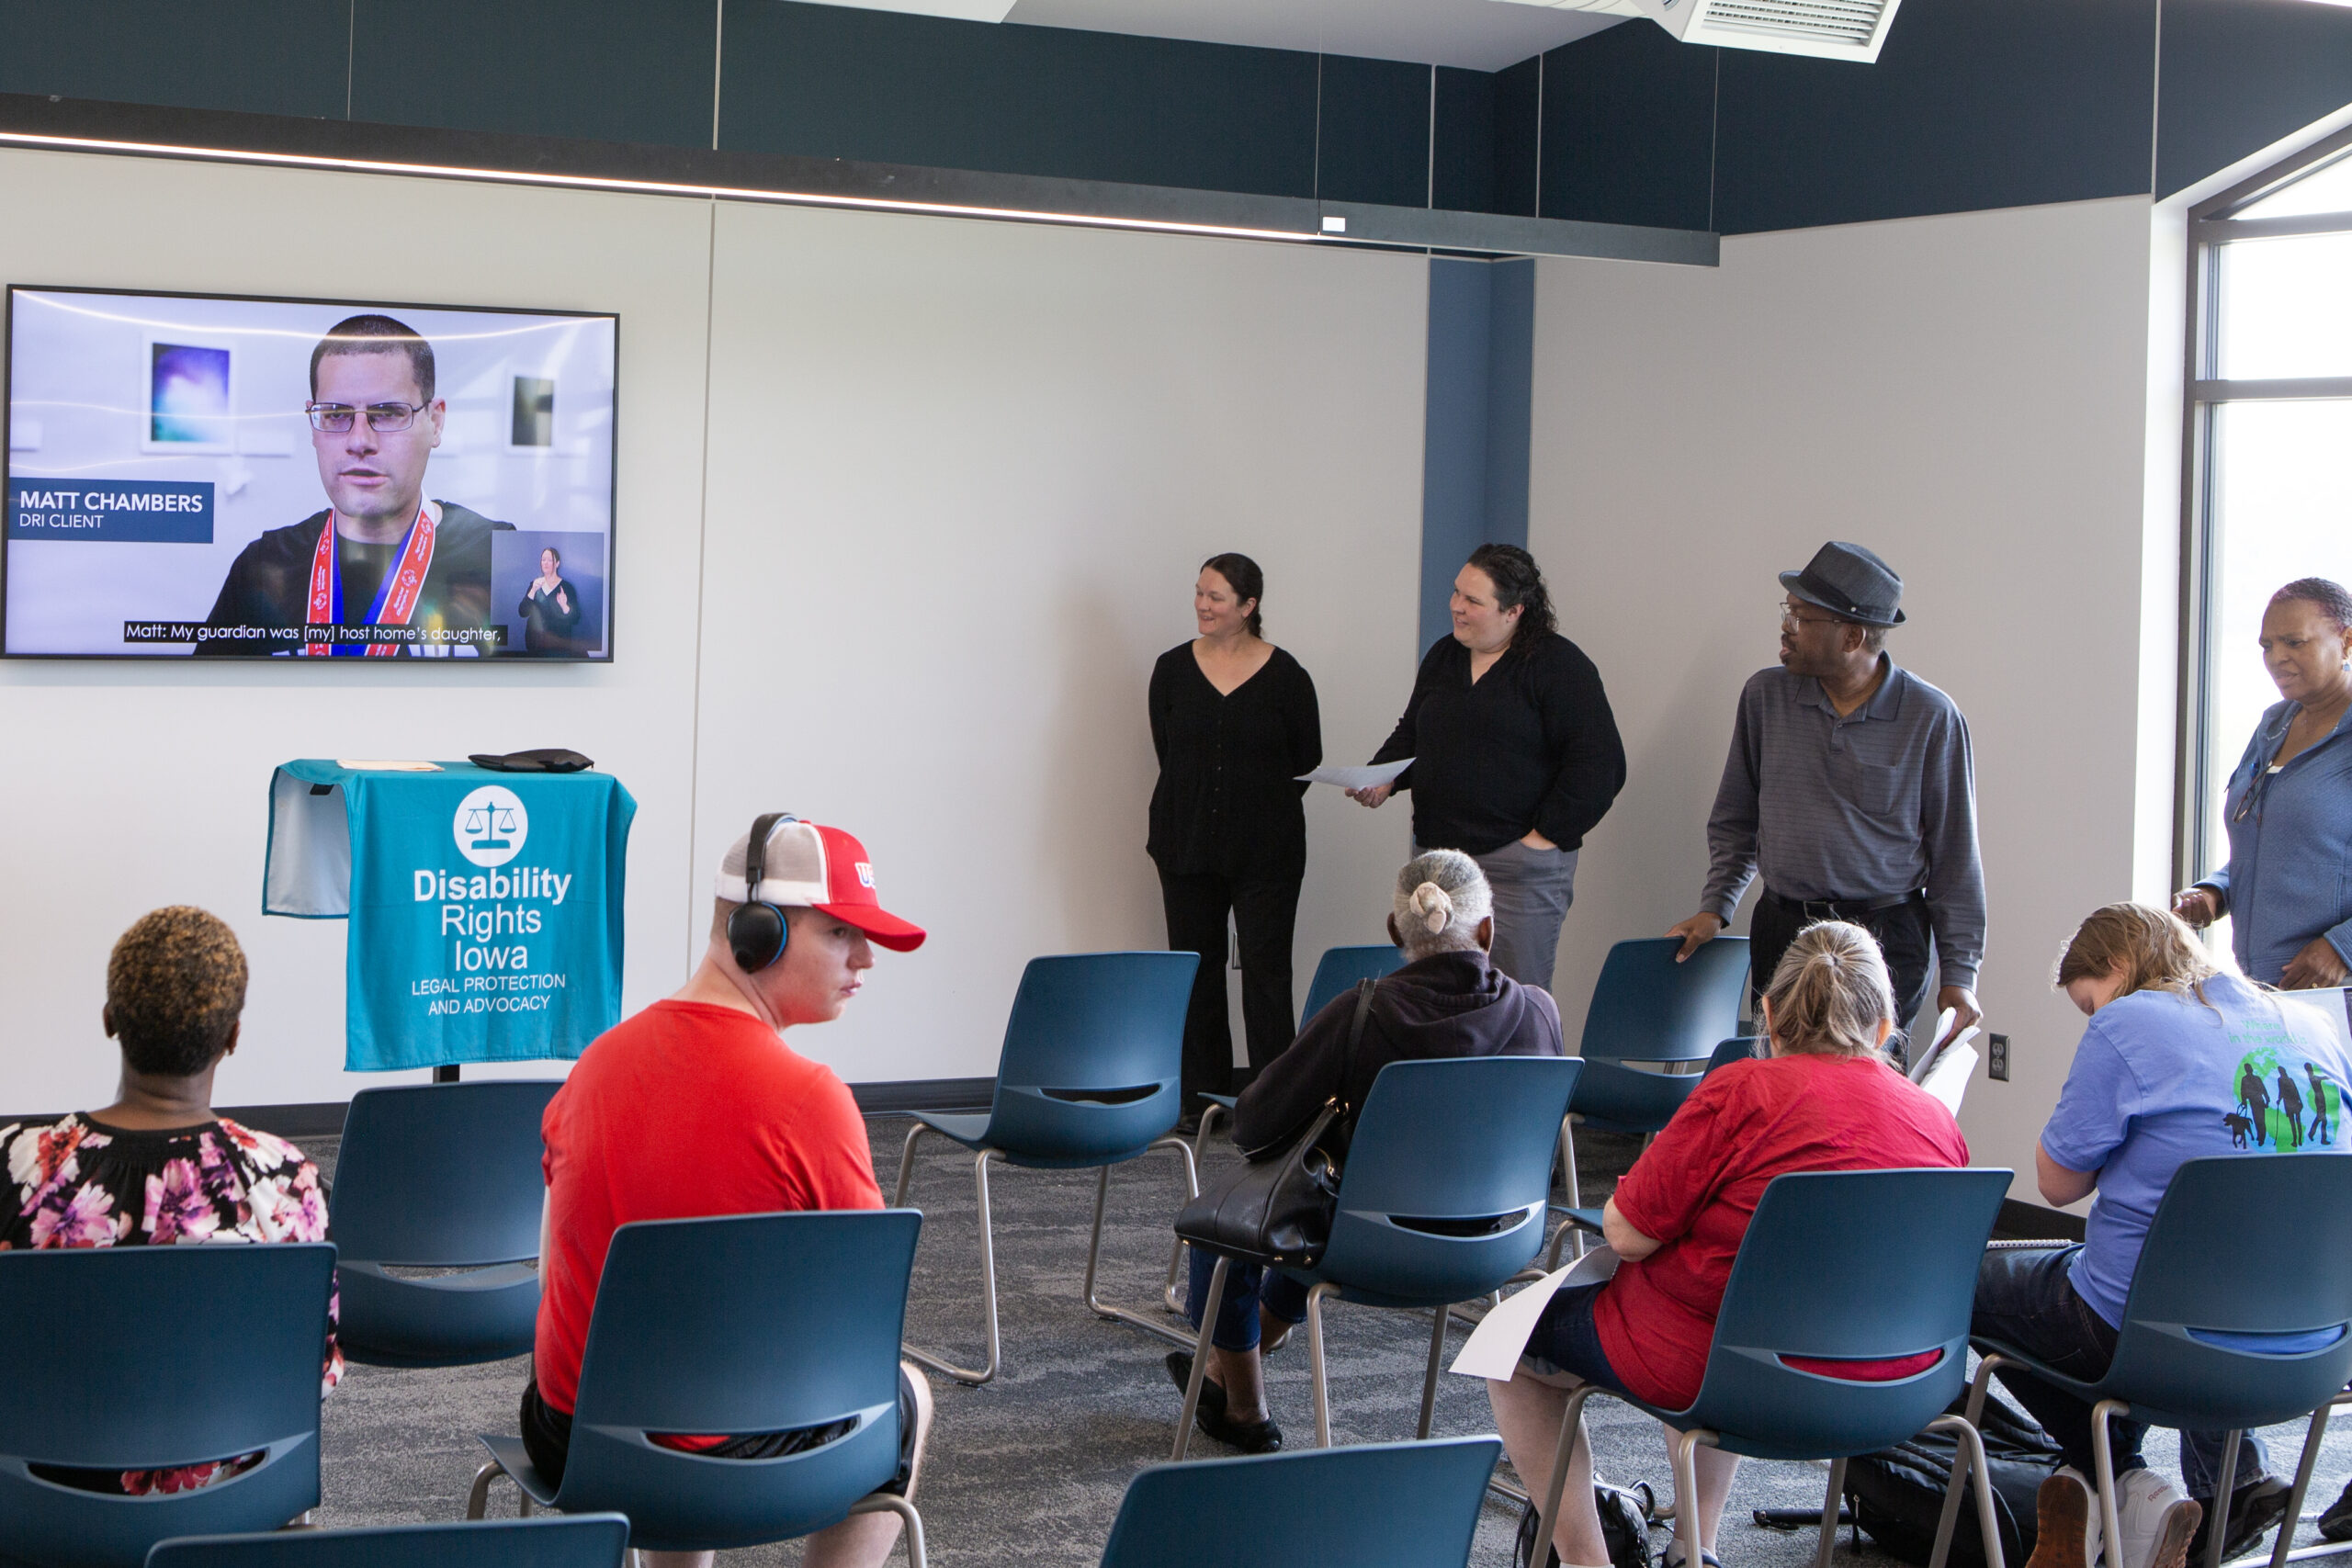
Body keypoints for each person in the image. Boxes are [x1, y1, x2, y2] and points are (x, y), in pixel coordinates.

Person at [1487, 920, 1968, 1568]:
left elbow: (1627, 1235)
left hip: (1740, 1374)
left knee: (1508, 1347)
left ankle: (1588, 1562)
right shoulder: (1936, 1120)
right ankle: (1695, 1549)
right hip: (1901, 1380)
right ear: (1884, 1027)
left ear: (1768, 1015)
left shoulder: (1742, 1091)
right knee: (1728, 1304)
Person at [526, 816, 934, 1568]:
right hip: (723, 1460)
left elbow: (554, 1278)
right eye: (842, 932)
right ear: (760, 932)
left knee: (687, 1374)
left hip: (573, 1440)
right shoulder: (811, 1097)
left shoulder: (593, 1067)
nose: (866, 958)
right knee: (903, 1384)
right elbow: (861, 1324)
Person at [1972, 903, 2352, 1568]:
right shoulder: (2318, 1025)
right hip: (2314, 1344)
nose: (2095, 1019)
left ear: (2119, 967)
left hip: (2155, 1339)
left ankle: (2123, 1480)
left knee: (1958, 1278)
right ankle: (2157, 1491)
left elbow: (2058, 1184)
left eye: (2090, 1004)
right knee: (2184, 1276)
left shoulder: (2129, 1022)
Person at [1166, 849, 1564, 1452]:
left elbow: (1251, 1126)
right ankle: (1247, 1353)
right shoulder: (1540, 1011)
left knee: (1222, 1222)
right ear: (1487, 929)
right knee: (1329, 1201)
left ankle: (1242, 1401)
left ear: (1393, 930)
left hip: (1376, 1244)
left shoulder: (1362, 1011)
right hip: (1500, 1243)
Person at [0, 907, 339, 1495]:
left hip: (39, 1501)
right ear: (232, 1037)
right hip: (224, 1504)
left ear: (110, 1021)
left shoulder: (17, 1162)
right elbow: (314, 1374)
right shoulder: (286, 1179)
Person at [1667, 541, 1984, 1064]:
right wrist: (1715, 907)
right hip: (1784, 926)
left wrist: (1960, 974)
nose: (1786, 628)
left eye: (1801, 617)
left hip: (1884, 935)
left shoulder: (1931, 717)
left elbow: (1956, 858)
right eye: (1788, 613)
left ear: (1853, 636)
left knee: (1869, 1093)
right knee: (1780, 1083)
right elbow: (1736, 821)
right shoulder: (1765, 698)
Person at [1351, 544, 1624, 992]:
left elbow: (1601, 766)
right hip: (1436, 864)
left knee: (1513, 1000)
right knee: (1437, 998)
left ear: (1514, 610)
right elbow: (1414, 732)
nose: (1456, 606)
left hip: (1515, 869)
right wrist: (1384, 778)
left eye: (1473, 601)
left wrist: (1541, 840)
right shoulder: (1445, 656)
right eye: (1457, 593)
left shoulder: (1559, 666)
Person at [200, 314, 511, 657]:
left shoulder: (498, 557)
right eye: (335, 414)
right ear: (313, 423)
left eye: (388, 413)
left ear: (435, 423)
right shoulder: (261, 566)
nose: (359, 441)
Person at [1148, 553, 1322, 1111]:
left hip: (1267, 852)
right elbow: (1168, 752)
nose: (1202, 604)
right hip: (1185, 843)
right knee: (1196, 974)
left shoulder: (1288, 675)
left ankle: (1275, 1102)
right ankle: (1203, 1101)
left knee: (1268, 976)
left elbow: (1305, 762)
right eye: (1199, 592)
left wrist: (1252, 809)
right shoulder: (1171, 670)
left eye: (1216, 596)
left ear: (1248, 607)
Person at [2172, 577, 2352, 989]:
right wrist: (2215, 892)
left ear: (2347, 641)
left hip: (2338, 994)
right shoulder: (2275, 724)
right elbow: (2277, 845)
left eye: (2295, 642)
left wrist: (2343, 947)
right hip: (2268, 991)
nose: (2277, 658)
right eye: (2267, 646)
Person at [517, 547, 583, 654]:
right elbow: (522, 612)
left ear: (557, 563)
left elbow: (576, 619)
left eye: (550, 560)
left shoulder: (567, 588)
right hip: (535, 648)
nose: (545, 563)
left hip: (559, 649)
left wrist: (565, 606)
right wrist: (533, 590)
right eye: (543, 560)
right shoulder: (535, 585)